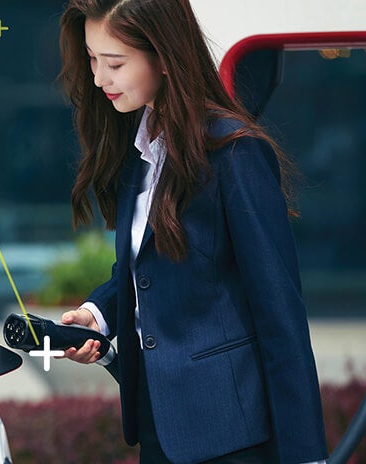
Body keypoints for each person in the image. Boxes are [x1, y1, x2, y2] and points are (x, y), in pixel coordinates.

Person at [56, 1, 328, 463]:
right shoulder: (137, 147)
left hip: (233, 435)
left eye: (115, 63)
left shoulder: (234, 153)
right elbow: (148, 268)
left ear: (163, 55)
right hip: (159, 426)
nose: (100, 78)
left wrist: (307, 455)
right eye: (92, 59)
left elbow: (280, 315)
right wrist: (97, 314)